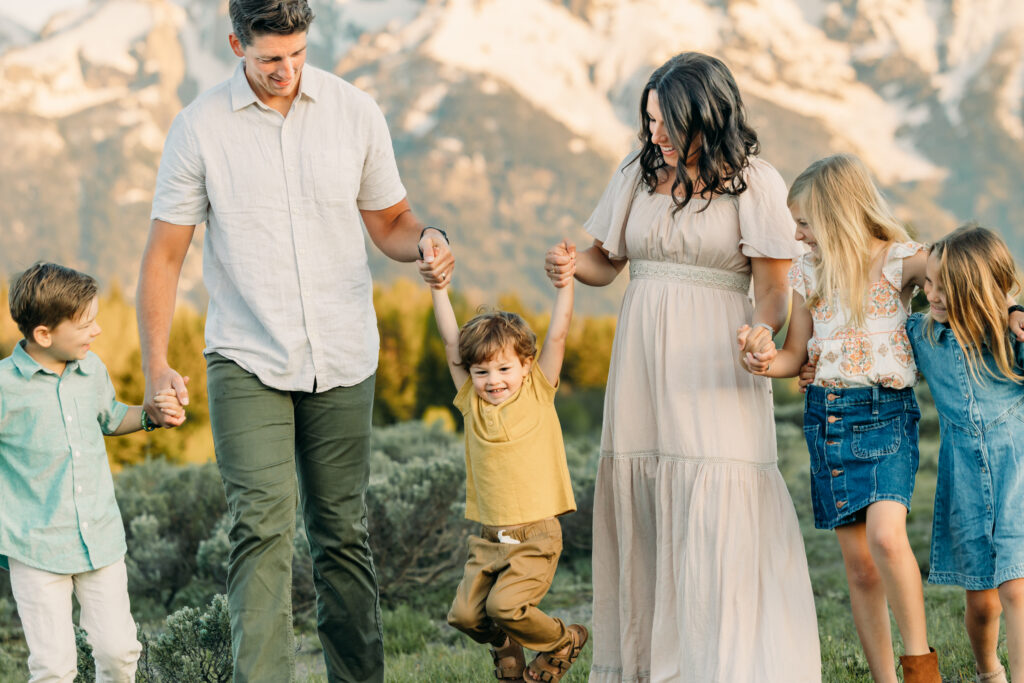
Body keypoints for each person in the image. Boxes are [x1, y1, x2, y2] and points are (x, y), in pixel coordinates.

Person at [136, 0, 453, 679]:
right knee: (262, 530)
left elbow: (392, 219)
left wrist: (427, 238)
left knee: (342, 532)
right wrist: (156, 362)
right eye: (271, 58)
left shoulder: (354, 110)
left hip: (343, 352)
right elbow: (164, 257)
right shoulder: (197, 130)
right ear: (235, 44)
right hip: (246, 356)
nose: (287, 70)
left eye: (299, 54)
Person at [545, 52, 820, 682]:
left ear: (709, 117)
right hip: (642, 359)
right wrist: (568, 266)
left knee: (714, 504)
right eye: (649, 122)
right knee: (645, 503)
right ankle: (645, 666)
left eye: (669, 123)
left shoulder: (756, 182)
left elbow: (774, 290)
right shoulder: (636, 173)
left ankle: (718, 665)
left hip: (715, 363)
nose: (657, 136)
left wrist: (762, 332)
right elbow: (605, 261)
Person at [740, 153, 942, 682]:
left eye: (805, 223)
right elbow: (794, 354)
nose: (799, 236)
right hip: (827, 420)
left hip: (886, 414)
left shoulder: (901, 260)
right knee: (860, 567)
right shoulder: (809, 272)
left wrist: (1008, 306)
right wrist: (765, 361)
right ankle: (883, 677)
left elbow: (956, 268)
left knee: (887, 537)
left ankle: (921, 665)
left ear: (838, 214)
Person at [0, 263, 183, 683]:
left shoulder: (92, 370)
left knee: (120, 653)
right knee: (53, 668)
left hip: (100, 541)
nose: (96, 331)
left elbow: (112, 417)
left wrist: (152, 416)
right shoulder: (5, 388)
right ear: (44, 334)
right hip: (36, 549)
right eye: (85, 324)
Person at [429, 241, 588, 683]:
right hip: (488, 538)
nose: (492, 381)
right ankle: (506, 646)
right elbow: (449, 342)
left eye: (503, 370)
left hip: (535, 534)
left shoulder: (539, 391)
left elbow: (558, 333)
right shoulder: (470, 403)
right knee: (464, 615)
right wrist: (439, 289)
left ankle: (561, 641)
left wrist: (564, 285)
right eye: (482, 373)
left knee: (504, 605)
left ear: (525, 365)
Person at [907, 226, 1024, 683]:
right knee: (982, 601)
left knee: (1015, 587)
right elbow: (875, 354)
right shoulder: (922, 336)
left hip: (1016, 474)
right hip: (966, 485)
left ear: (975, 290)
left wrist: (1015, 309)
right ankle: (987, 670)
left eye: (943, 287)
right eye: (928, 283)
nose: (931, 294)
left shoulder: (1011, 338)